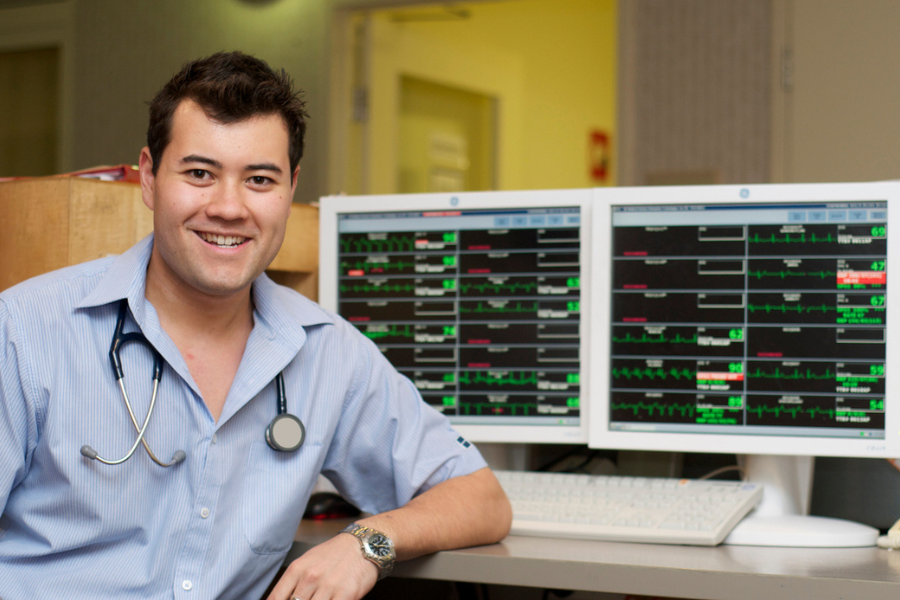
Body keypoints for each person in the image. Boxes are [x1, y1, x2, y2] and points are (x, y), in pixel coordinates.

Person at [0, 51, 511, 600]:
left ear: (291, 188)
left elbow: (481, 499)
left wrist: (369, 542)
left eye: (259, 179)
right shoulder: (26, 332)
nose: (228, 207)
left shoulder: (326, 353)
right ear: (149, 177)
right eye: (200, 173)